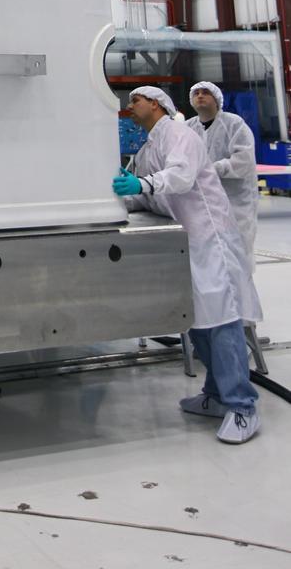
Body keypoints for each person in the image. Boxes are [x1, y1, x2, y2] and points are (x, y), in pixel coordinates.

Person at [112, 86, 261, 444]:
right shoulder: (149, 146)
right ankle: (214, 394)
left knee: (223, 320)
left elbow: (178, 177)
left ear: (156, 104)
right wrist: (119, 197)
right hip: (188, 243)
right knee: (195, 319)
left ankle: (243, 407)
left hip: (212, 239)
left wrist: (143, 183)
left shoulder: (180, 134)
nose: (130, 106)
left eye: (136, 100)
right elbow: (148, 194)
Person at [187, 81, 259, 271]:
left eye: (205, 93)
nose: (200, 96)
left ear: (217, 99)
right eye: (197, 93)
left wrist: (211, 169)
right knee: (210, 255)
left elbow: (243, 161)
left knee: (238, 249)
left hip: (236, 201)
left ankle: (244, 291)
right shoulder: (189, 128)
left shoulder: (233, 124)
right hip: (203, 201)